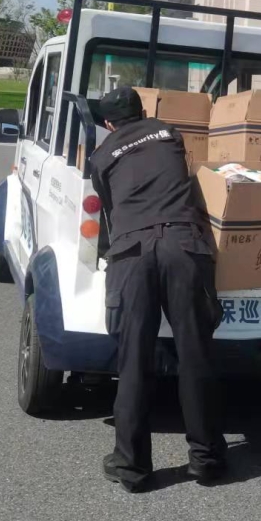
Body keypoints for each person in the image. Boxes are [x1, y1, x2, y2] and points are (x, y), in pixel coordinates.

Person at [90, 86, 226, 492]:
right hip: (184, 246)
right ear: (142, 110)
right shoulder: (169, 134)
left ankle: (132, 466)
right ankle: (206, 460)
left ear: (108, 124)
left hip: (132, 253)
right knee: (195, 355)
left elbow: (112, 206)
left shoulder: (101, 156)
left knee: (134, 360)